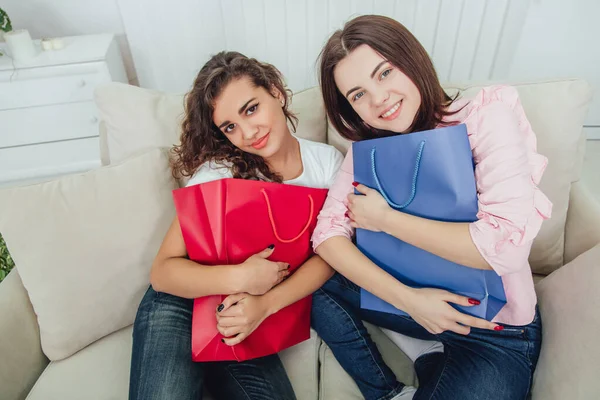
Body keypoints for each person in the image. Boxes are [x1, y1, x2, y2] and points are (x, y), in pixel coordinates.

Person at [310, 15, 552, 400]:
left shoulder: (486, 117)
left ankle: (431, 352)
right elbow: (326, 236)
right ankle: (391, 387)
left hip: (492, 330)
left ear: (411, 59)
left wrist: (386, 219)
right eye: (357, 95)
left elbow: (503, 249)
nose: (378, 99)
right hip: (407, 304)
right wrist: (409, 301)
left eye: (385, 73)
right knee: (305, 282)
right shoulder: (366, 154)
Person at [129, 51, 343, 400]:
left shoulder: (327, 165)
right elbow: (162, 273)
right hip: (179, 304)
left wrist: (265, 304)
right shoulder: (217, 173)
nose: (248, 133)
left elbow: (331, 254)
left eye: (251, 109)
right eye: (230, 126)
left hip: (245, 317)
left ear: (275, 92)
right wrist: (240, 277)